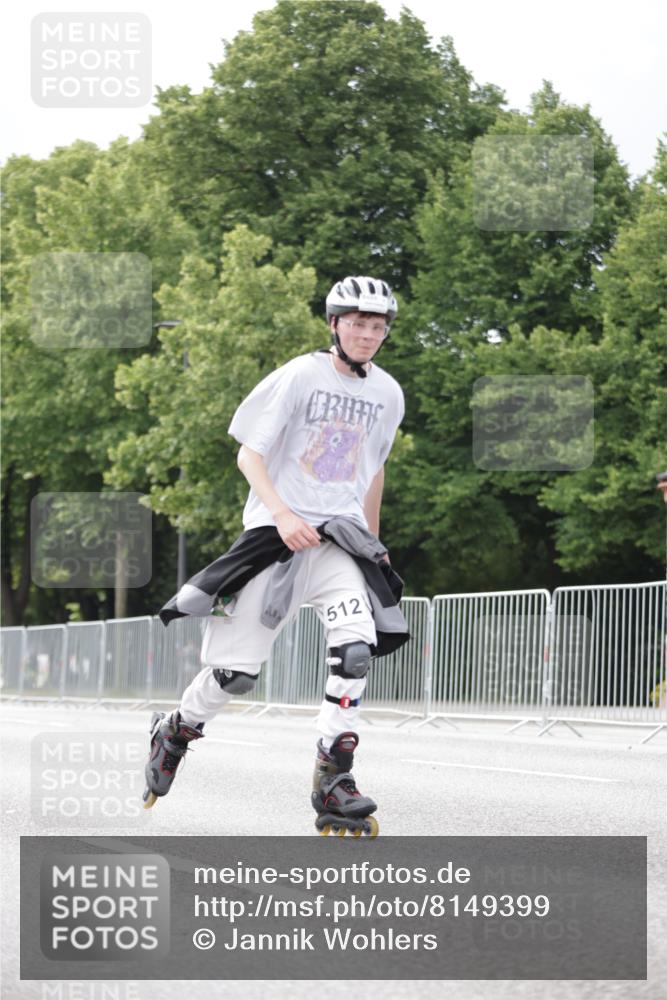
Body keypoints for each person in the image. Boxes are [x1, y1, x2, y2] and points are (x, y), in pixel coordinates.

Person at [144, 276, 409, 835]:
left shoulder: (388, 393)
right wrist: (283, 515)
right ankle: (177, 728)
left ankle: (334, 775)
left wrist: (373, 543)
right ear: (335, 325)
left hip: (338, 541)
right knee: (236, 676)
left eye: (377, 326)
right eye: (357, 323)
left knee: (355, 651)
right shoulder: (299, 375)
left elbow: (373, 468)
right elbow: (249, 454)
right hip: (277, 538)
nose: (367, 334)